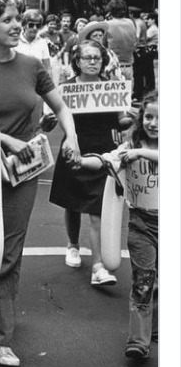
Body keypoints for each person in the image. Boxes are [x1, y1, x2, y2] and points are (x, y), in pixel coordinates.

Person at [0, 0, 80, 367]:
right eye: (7, 20)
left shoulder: (31, 66)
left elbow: (61, 107)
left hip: (24, 172)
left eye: (17, 19)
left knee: (9, 253)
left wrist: (70, 137)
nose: (16, 26)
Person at [76, 92, 158, 359]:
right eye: (149, 116)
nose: (154, 123)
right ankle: (138, 340)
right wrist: (80, 161)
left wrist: (140, 153)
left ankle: (156, 325)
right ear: (140, 118)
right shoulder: (129, 147)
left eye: (161, 118)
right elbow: (105, 160)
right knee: (143, 281)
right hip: (141, 224)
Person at [48, 40, 131, 284]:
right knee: (72, 204)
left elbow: (122, 122)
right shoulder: (66, 89)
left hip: (103, 152)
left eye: (97, 57)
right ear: (78, 62)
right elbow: (54, 119)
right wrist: (47, 122)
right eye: (88, 58)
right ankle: (72, 244)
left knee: (98, 210)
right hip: (75, 149)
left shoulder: (112, 87)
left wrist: (129, 120)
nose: (93, 61)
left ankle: (98, 266)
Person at [104, 0, 136, 82]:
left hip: (113, 67)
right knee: (128, 94)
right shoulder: (131, 22)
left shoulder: (107, 24)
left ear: (110, 11)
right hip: (129, 65)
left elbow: (103, 45)